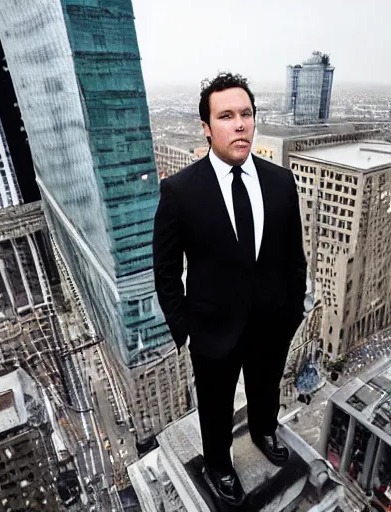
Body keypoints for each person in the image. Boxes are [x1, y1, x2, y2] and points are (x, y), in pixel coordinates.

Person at [152, 72, 307, 506]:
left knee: (266, 387)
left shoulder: (280, 182)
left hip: (272, 323)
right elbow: (165, 270)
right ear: (206, 127)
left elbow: (294, 256)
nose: (239, 124)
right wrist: (186, 330)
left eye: (246, 114)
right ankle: (218, 464)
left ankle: (264, 430)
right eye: (226, 116)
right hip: (212, 331)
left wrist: (292, 311)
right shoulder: (180, 191)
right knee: (215, 407)